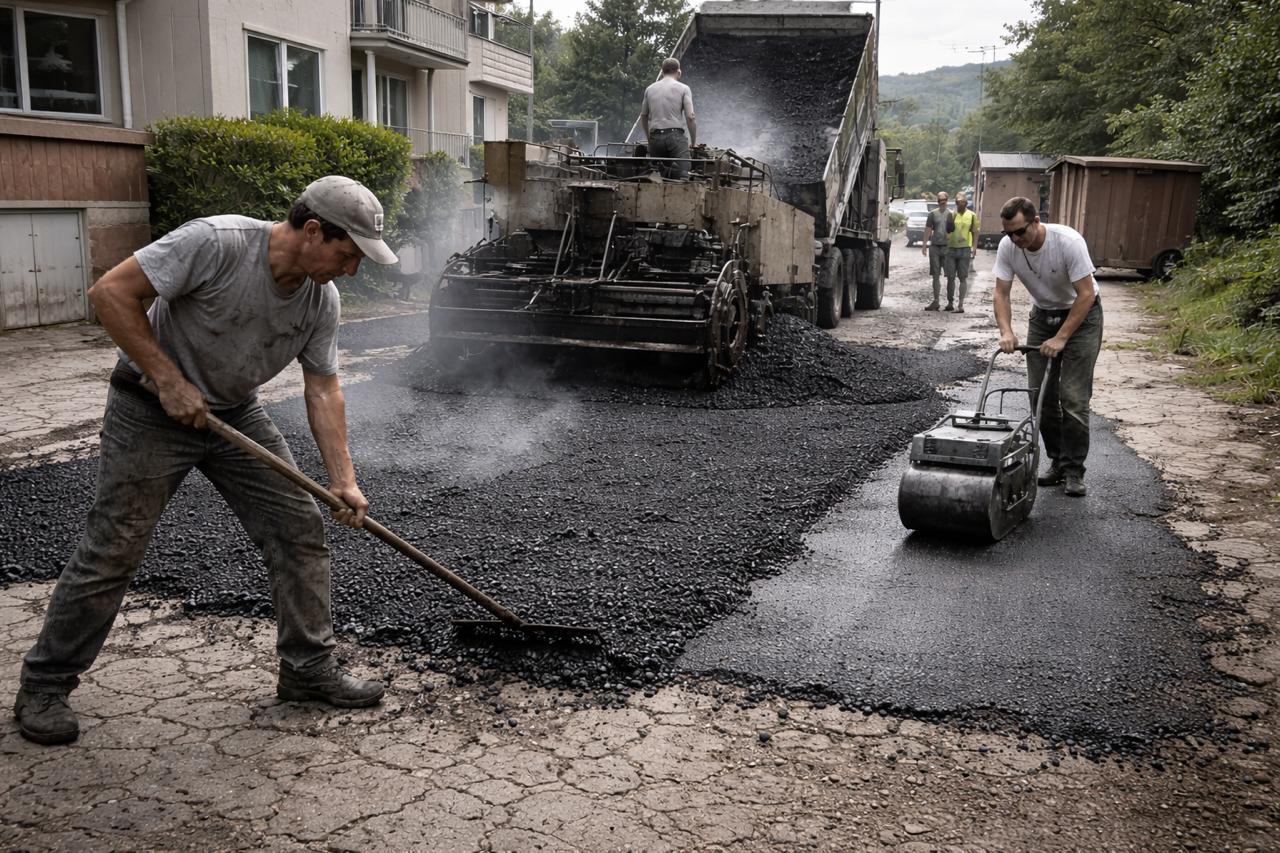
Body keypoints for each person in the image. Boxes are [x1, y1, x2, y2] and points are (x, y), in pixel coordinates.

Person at [13, 176, 399, 745]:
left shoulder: (321, 301)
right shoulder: (217, 243)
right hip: (149, 409)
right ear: (313, 230)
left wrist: (344, 481)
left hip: (233, 414)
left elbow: (323, 390)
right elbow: (110, 294)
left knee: (298, 526)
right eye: (347, 254)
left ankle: (307, 670)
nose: (351, 271)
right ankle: (44, 685)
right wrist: (167, 379)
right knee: (114, 547)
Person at [992, 196, 1103, 498]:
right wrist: (1006, 332)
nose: (1015, 239)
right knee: (1039, 395)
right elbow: (1001, 293)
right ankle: (1057, 461)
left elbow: (1086, 294)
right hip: (1042, 315)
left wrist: (1062, 337)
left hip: (1082, 316)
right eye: (1008, 233)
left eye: (1019, 232)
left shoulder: (1067, 242)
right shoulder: (1009, 247)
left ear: (1036, 221)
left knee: (1073, 398)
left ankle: (1074, 470)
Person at [639, 57, 697, 180]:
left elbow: (643, 116)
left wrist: (649, 139)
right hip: (675, 137)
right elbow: (690, 117)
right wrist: (693, 142)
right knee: (684, 171)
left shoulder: (649, 89)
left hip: (655, 138)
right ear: (679, 72)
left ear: (662, 71)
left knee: (656, 173)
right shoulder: (684, 88)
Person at [944, 192, 979, 313]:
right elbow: (947, 230)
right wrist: (948, 238)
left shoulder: (972, 215)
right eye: (958, 202)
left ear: (966, 203)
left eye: (963, 202)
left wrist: (974, 247)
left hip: (965, 249)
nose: (961, 204)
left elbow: (975, 231)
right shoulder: (951, 214)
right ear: (956, 203)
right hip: (951, 248)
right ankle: (950, 302)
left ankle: (961, 304)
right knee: (950, 277)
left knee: (963, 277)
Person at [920, 191, 950, 310]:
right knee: (935, 275)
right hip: (935, 247)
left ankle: (950, 302)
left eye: (943, 199)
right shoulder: (933, 214)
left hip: (947, 247)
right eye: (939, 199)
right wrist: (924, 245)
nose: (941, 201)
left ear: (947, 200)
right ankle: (936, 301)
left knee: (950, 275)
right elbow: (928, 229)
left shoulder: (951, 214)